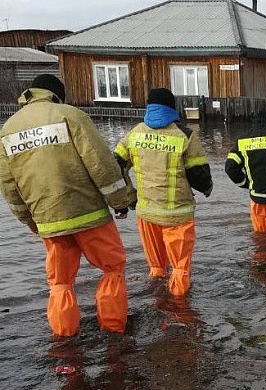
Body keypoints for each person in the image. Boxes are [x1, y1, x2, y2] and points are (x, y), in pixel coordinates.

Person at [0, 75, 132, 337]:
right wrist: (120, 201)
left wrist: (30, 221)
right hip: (89, 214)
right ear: (57, 95)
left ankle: (64, 338)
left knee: (60, 282)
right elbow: (100, 164)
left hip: (48, 221)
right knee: (112, 269)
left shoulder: (8, 129)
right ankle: (114, 331)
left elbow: (9, 186)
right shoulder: (70, 116)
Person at [114, 88, 212, 296]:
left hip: (147, 213)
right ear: (172, 107)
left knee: (157, 268)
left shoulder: (134, 133)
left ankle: (157, 301)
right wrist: (207, 188)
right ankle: (180, 308)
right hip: (178, 214)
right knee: (179, 269)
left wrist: (129, 196)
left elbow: (115, 166)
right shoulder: (185, 135)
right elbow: (198, 174)